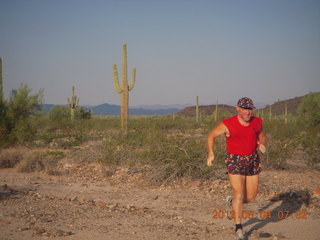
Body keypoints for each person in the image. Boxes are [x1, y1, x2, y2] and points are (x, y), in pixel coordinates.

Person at [207, 97, 267, 240]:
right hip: (235, 160)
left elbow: (262, 136)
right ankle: (239, 228)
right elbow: (211, 136)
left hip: (252, 160)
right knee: (239, 194)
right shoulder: (228, 123)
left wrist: (262, 144)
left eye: (250, 109)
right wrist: (211, 152)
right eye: (245, 109)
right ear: (238, 109)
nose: (248, 112)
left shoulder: (257, 122)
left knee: (251, 197)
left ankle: (232, 202)